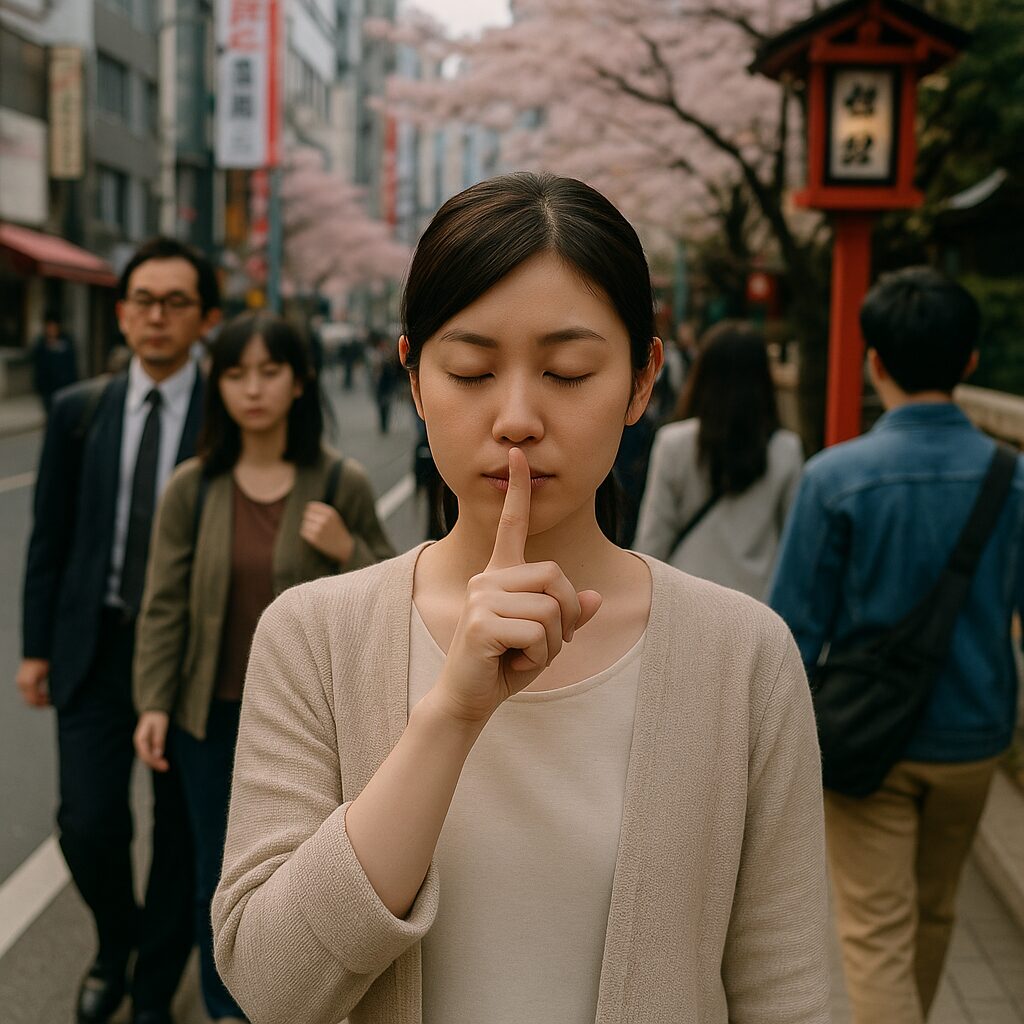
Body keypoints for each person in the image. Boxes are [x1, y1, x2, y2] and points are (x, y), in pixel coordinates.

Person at [210, 172, 830, 1024]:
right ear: (416, 379)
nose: (516, 418)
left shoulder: (742, 653)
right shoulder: (312, 636)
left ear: (644, 379)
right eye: (470, 370)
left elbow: (791, 990)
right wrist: (450, 717)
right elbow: (271, 985)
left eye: (568, 373)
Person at [769, 267, 1024, 1024]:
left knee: (875, 932)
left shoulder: (835, 478)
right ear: (970, 362)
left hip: (865, 741)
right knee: (937, 911)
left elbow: (792, 629)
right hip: (975, 732)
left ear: (873, 360)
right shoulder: (1013, 481)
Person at [131, 311, 395, 1023]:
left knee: (302, 875)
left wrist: (347, 549)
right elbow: (164, 605)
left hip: (307, 723)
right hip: (208, 714)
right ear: (216, 385)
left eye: (270, 372)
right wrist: (154, 703)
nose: (253, 389)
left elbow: (395, 598)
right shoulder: (194, 487)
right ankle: (226, 1009)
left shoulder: (341, 481)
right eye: (236, 373)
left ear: (300, 381)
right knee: (215, 876)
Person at [18, 237, 221, 1024]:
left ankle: (151, 983)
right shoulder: (81, 410)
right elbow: (49, 542)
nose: (156, 317)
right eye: (143, 300)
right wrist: (36, 648)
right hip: (95, 648)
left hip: (188, 657)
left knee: (181, 831)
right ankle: (116, 940)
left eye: (175, 303)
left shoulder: (224, 414)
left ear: (205, 318)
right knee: (88, 821)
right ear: (121, 312)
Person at [634, 321, 804, 599]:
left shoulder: (674, 442)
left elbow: (654, 537)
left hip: (685, 597)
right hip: (757, 605)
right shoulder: (786, 450)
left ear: (703, 375)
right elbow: (793, 545)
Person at [31, 310, 79, 411]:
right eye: (49, 326)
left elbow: (71, 365)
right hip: (47, 388)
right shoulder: (41, 344)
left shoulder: (66, 342)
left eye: (54, 326)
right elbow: (38, 365)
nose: (52, 329)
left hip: (64, 387)